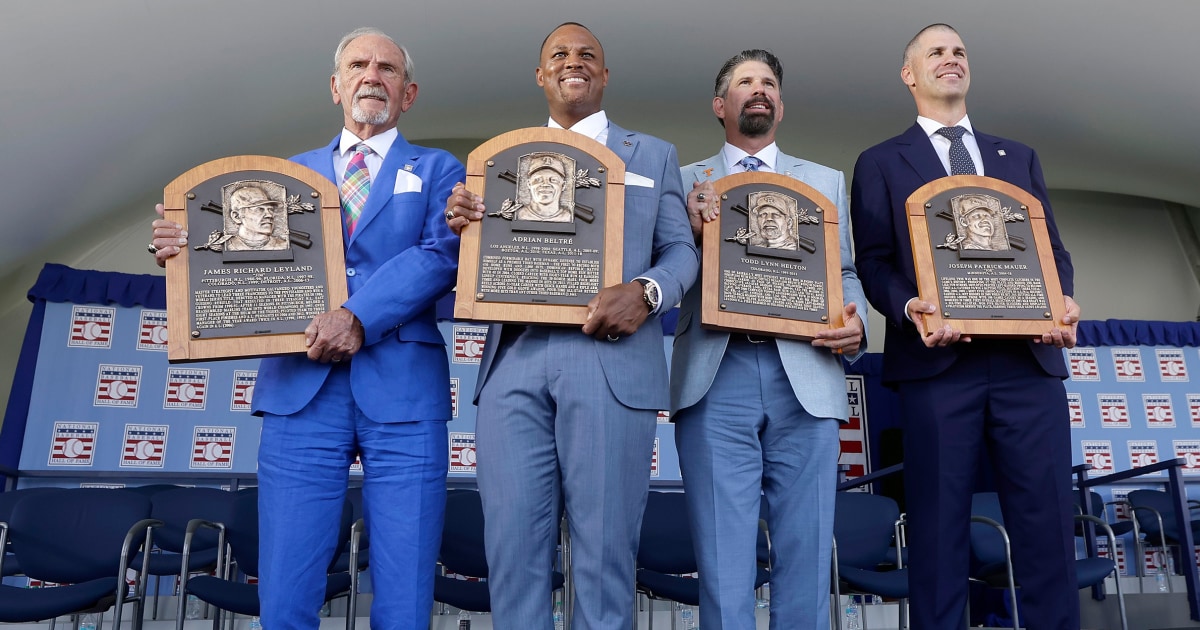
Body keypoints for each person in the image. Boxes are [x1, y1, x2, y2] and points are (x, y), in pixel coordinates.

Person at [151, 27, 462, 630]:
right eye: (357, 65)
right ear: (335, 85)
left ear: (410, 91)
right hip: (301, 390)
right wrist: (185, 250)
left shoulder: (440, 170)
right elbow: (239, 257)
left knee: (406, 584)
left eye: (387, 68)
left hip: (403, 393)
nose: (372, 76)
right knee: (288, 585)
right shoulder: (282, 175)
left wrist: (357, 318)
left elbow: (440, 256)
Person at [444, 22, 698, 630]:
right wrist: (460, 227)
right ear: (541, 75)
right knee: (511, 553)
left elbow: (682, 252)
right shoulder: (499, 162)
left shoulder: (653, 155)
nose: (572, 61)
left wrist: (648, 291)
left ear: (605, 76)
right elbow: (478, 260)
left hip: (609, 363)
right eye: (558, 54)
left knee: (606, 555)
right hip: (515, 364)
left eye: (588, 55)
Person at [849, 23, 1081, 629]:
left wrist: (1064, 300)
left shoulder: (1018, 157)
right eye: (935, 52)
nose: (950, 59)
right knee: (936, 529)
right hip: (936, 366)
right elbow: (873, 262)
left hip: (1027, 364)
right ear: (910, 75)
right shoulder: (879, 162)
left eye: (958, 51)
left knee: (1048, 525)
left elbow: (1051, 252)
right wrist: (909, 307)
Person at [669, 49, 866, 629]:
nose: (759, 90)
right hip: (715, 374)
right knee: (722, 558)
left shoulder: (826, 180)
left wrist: (857, 324)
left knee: (806, 551)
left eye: (770, 83)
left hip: (806, 377)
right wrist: (690, 227)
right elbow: (663, 267)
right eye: (745, 82)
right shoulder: (682, 182)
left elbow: (844, 272)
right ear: (719, 104)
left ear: (780, 103)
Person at [225, 184, 289, 251]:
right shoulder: (227, 246)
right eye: (260, 209)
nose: (269, 215)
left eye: (270, 209)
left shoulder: (283, 245)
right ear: (236, 216)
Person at [518, 153, 573, 222]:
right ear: (529, 184)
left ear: (563, 185)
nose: (545, 184)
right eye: (538, 179)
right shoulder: (520, 215)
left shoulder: (568, 217)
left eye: (553, 180)